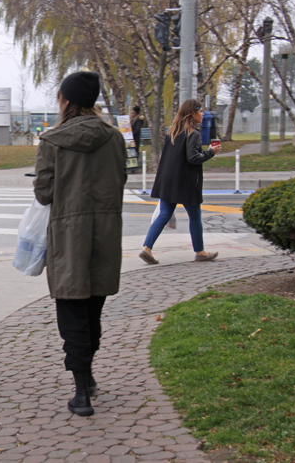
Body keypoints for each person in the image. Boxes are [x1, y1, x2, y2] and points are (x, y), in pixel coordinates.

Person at [33, 71, 127, 416]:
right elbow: (120, 181)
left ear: (66, 100)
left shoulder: (52, 141)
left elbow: (44, 192)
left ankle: (80, 391)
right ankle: (88, 380)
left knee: (72, 309)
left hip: (68, 237)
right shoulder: (115, 139)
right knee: (93, 308)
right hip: (105, 234)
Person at [139, 99, 222, 265]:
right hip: (186, 183)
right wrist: (211, 152)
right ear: (192, 113)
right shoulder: (193, 133)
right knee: (195, 217)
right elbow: (192, 159)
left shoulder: (173, 132)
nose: (203, 114)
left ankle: (146, 248)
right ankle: (200, 252)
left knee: (164, 214)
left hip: (169, 181)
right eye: (200, 111)